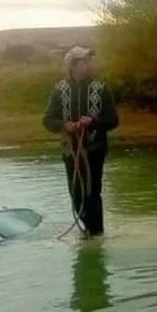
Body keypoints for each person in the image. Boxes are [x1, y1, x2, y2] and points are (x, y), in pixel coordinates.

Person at [43, 46, 119, 237]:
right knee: (76, 195)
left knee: (93, 194)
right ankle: (90, 231)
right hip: (70, 151)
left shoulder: (101, 89)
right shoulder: (59, 90)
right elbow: (48, 119)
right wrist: (64, 125)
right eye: (83, 61)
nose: (88, 65)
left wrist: (93, 121)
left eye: (88, 61)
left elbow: (113, 120)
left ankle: (96, 234)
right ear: (73, 65)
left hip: (95, 149)